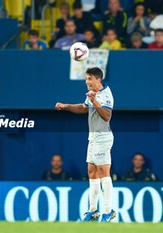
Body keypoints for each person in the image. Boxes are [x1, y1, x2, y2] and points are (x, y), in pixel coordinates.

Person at [55, 67, 116, 222]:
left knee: (104, 173)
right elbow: (84, 108)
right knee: (91, 172)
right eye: (86, 79)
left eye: (89, 78)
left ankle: (109, 211)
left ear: (98, 80)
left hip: (103, 137)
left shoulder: (106, 95)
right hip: (93, 137)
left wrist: (94, 101)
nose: (86, 81)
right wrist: (66, 106)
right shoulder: (92, 95)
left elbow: (107, 116)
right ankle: (93, 211)